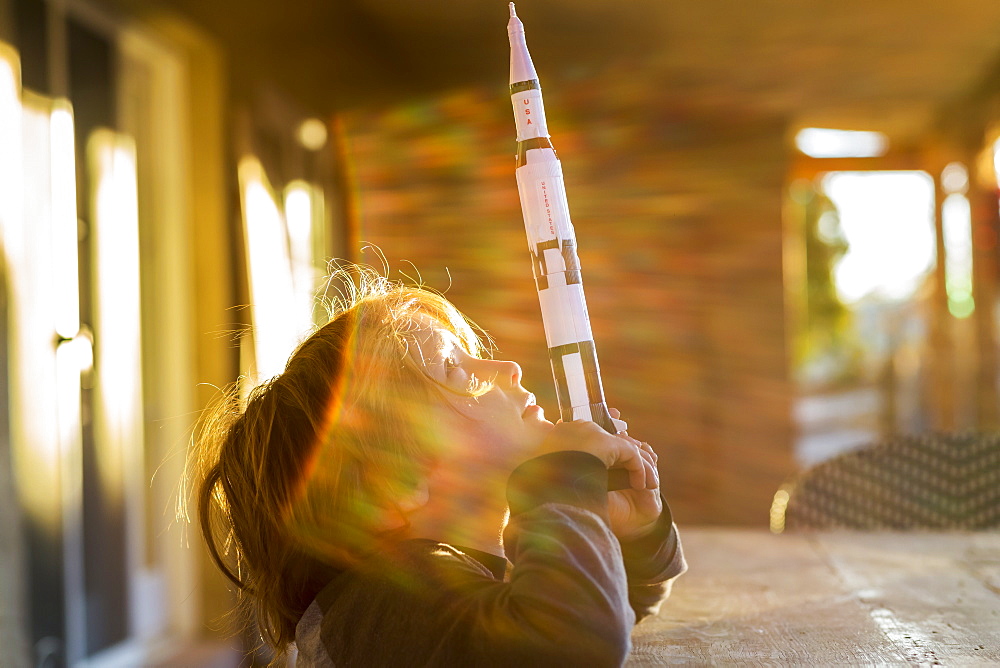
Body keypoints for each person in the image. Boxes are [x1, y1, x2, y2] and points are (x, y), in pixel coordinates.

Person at [189, 265, 685, 666]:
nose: (506, 368)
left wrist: (632, 534)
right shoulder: (379, 611)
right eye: (456, 370)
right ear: (393, 483)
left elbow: (612, 610)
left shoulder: (443, 581)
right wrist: (561, 482)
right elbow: (575, 644)